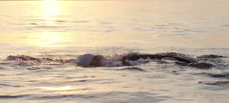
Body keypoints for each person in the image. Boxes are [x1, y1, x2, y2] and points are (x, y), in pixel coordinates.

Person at [76, 52, 213, 68]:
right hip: (149, 58)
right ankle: (195, 63)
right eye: (95, 59)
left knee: (170, 57)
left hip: (139, 57)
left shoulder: (109, 63)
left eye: (97, 57)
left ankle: (195, 63)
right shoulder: (109, 63)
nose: (99, 59)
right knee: (170, 57)